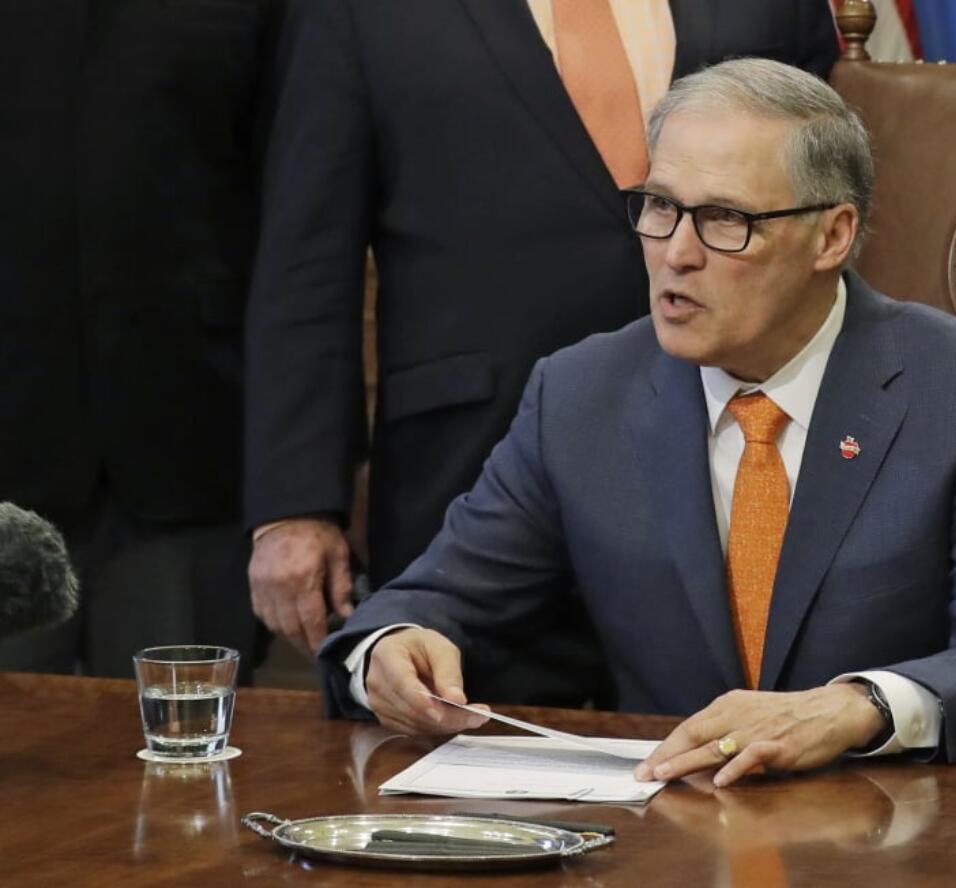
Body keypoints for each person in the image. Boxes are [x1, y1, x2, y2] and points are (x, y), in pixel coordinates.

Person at [317, 58, 956, 786]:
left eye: (725, 219)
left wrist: (859, 707)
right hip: (664, 833)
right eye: (660, 207)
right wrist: (389, 650)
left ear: (832, 236)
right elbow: (430, 599)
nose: (675, 254)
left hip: (888, 832)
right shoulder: (583, 394)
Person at [245, 0, 840, 704]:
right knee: (457, 758)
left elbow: (819, 203)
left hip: (734, 453)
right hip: (466, 464)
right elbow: (308, 257)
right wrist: (296, 504)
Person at [0, 0, 283, 681]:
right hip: (11, 467)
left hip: (193, 449)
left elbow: (305, 219)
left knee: (179, 763)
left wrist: (315, 475)